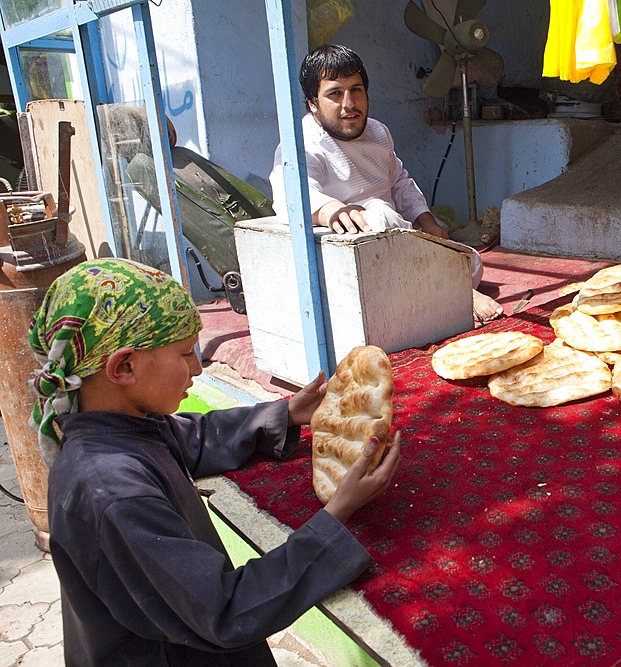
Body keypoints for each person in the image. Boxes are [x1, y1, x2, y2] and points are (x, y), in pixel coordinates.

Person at [28, 257, 401, 666]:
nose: (198, 367)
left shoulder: (126, 428)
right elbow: (223, 611)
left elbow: (194, 436)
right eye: (185, 353)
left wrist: (287, 413)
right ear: (125, 366)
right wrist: (338, 513)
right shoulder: (113, 493)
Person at [269, 44, 504, 324]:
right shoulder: (301, 144)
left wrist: (426, 221)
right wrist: (332, 209)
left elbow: (400, 183)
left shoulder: (378, 132)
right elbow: (289, 197)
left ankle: (433, 292)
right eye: (334, 93)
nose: (349, 104)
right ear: (313, 103)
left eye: (356, 90)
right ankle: (455, 293)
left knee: (471, 261)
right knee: (378, 212)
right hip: (347, 257)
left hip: (400, 249)